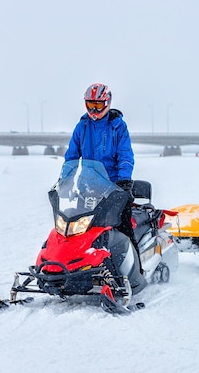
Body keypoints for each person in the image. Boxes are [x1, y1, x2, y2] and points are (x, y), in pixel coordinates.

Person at [64, 83, 138, 264]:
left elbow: (125, 155)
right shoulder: (82, 127)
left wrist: (124, 181)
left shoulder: (117, 126)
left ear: (107, 103)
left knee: (123, 225)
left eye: (98, 105)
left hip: (114, 187)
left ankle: (136, 266)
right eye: (90, 105)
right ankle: (75, 265)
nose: (94, 110)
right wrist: (64, 180)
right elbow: (71, 156)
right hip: (87, 187)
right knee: (75, 227)